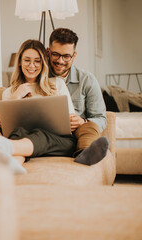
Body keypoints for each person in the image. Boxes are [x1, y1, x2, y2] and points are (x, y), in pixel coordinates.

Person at [0, 39, 96, 175]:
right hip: (26, 139)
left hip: (60, 142)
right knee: (18, 132)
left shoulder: (56, 84)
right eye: (27, 60)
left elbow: (69, 120)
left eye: (37, 61)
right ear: (20, 62)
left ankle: (6, 147)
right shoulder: (10, 92)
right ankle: (13, 163)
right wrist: (17, 96)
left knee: (38, 134)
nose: (32, 65)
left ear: (43, 63)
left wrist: (75, 121)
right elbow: (8, 127)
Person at [47, 28, 109, 166]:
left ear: (74, 56)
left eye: (66, 56)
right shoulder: (39, 76)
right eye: (55, 54)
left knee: (89, 127)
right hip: (48, 131)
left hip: (76, 133)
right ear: (48, 52)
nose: (60, 61)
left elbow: (100, 117)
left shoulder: (87, 80)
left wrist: (83, 122)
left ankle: (86, 152)